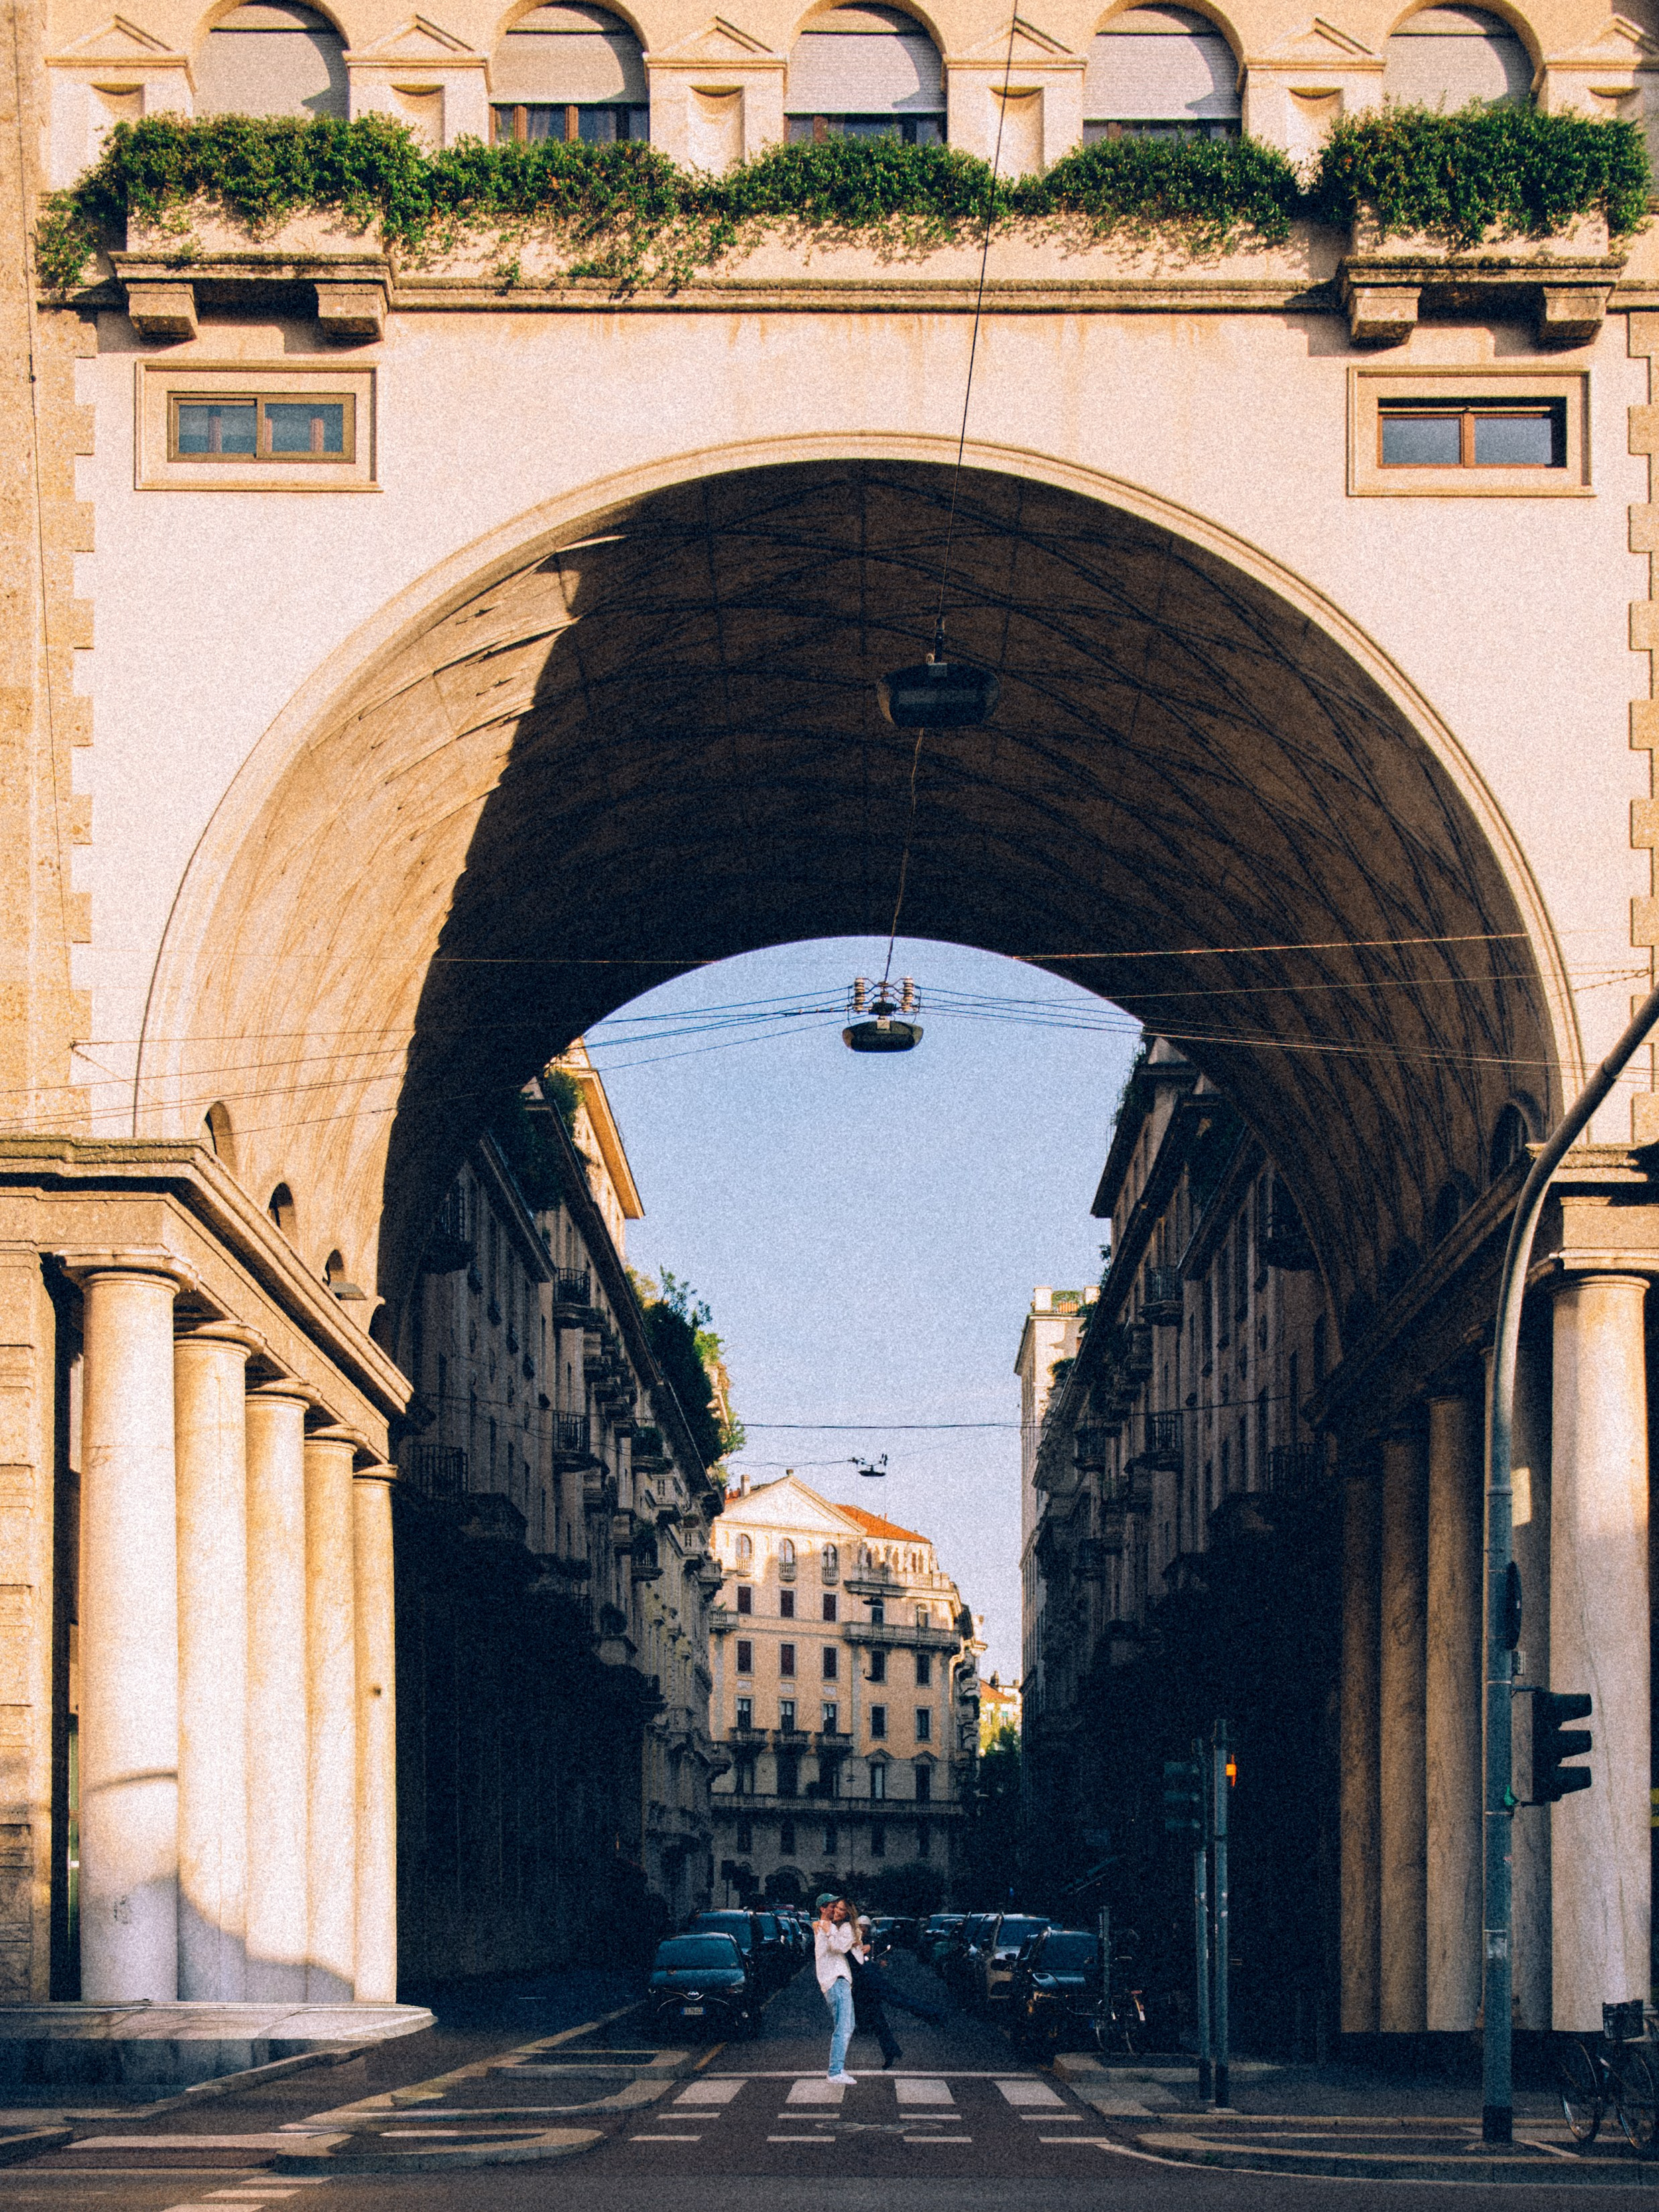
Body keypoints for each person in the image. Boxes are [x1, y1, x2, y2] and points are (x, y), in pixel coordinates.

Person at [849, 1910, 903, 2069]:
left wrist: (882, 1961)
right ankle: (860, 2023)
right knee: (857, 2000)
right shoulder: (853, 1940)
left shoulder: (874, 1941)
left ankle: (872, 2023)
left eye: (865, 1926)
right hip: (858, 1974)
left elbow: (882, 1953)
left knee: (874, 1999)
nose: (863, 1929)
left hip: (872, 1973)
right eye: (860, 1926)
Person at [813, 1891, 857, 2085]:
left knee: (849, 2025)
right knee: (843, 2027)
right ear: (823, 1909)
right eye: (833, 1906)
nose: (836, 1909)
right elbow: (839, 1948)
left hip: (837, 1981)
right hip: (835, 1981)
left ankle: (837, 2068)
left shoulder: (827, 1926)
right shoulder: (826, 1926)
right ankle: (835, 2071)